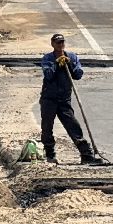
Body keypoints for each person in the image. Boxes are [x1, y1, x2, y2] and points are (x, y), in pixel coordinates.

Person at [39, 33, 103, 165]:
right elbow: (48, 75)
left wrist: (70, 64)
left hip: (64, 99)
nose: (60, 45)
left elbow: (78, 75)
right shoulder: (47, 58)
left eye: (62, 42)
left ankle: (86, 155)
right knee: (47, 127)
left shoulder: (72, 57)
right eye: (57, 42)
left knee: (73, 125)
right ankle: (50, 154)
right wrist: (57, 64)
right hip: (49, 99)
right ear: (52, 44)